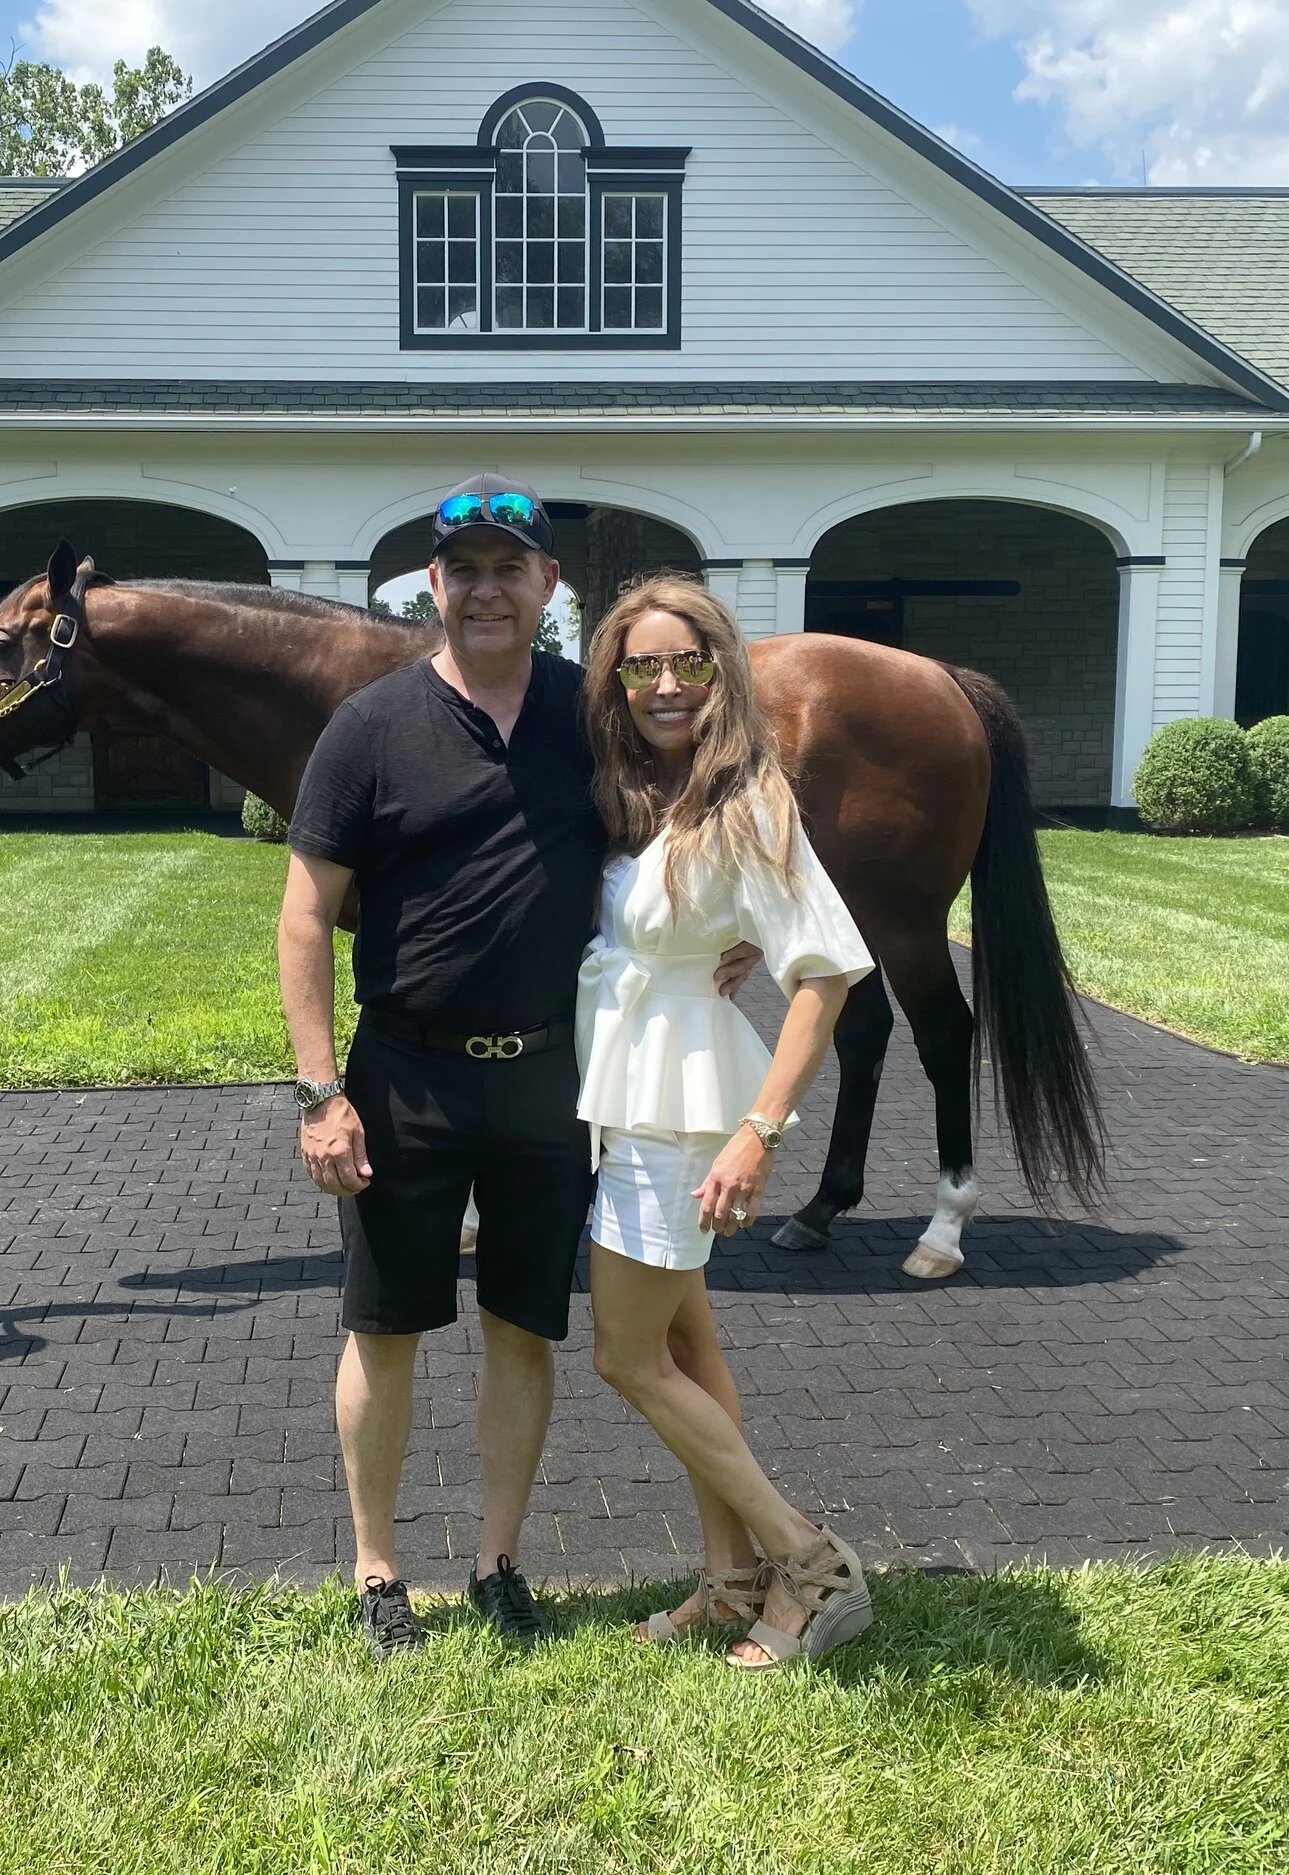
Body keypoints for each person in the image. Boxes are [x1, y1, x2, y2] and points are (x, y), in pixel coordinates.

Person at [280, 477, 755, 1659]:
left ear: (549, 586)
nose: (486, 587)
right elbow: (303, 919)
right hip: (404, 1080)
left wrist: (733, 919)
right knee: (385, 1331)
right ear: (432, 585)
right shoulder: (370, 725)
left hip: (552, 1080)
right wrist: (319, 1092)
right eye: (465, 568)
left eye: (511, 567)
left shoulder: (587, 714)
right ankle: (379, 1569)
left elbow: (708, 784)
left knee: (519, 1330)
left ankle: (497, 1562)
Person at [575, 575, 881, 1669]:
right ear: (611, 677)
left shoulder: (748, 801)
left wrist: (761, 1130)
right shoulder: (645, 792)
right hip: (624, 1093)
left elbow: (825, 973)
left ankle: (808, 1561)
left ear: (723, 672)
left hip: (681, 1108)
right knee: (683, 1342)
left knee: (624, 1355)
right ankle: (728, 1574)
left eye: (688, 662)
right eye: (642, 664)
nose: (665, 684)